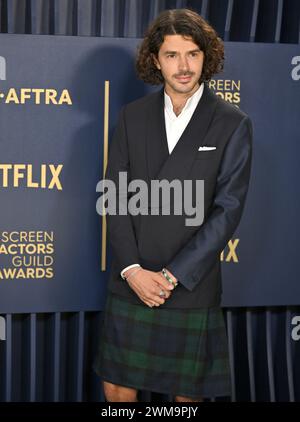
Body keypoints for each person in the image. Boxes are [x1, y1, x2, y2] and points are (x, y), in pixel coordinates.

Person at [93, 8, 252, 402]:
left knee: (186, 395)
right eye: (171, 55)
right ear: (155, 60)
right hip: (133, 278)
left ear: (206, 57)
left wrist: (170, 276)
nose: (183, 66)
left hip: (187, 283)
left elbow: (227, 210)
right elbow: (116, 197)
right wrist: (133, 271)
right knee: (116, 387)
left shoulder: (231, 122)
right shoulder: (133, 117)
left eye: (192, 54)